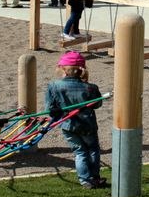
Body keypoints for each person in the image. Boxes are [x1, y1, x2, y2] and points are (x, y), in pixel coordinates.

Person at [45, 51, 105, 189]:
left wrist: (59, 112)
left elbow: (50, 109)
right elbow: (98, 104)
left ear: (63, 69)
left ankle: (85, 180)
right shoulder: (91, 87)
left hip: (68, 125)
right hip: (88, 125)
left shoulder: (53, 86)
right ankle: (95, 177)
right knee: (93, 150)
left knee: (79, 152)